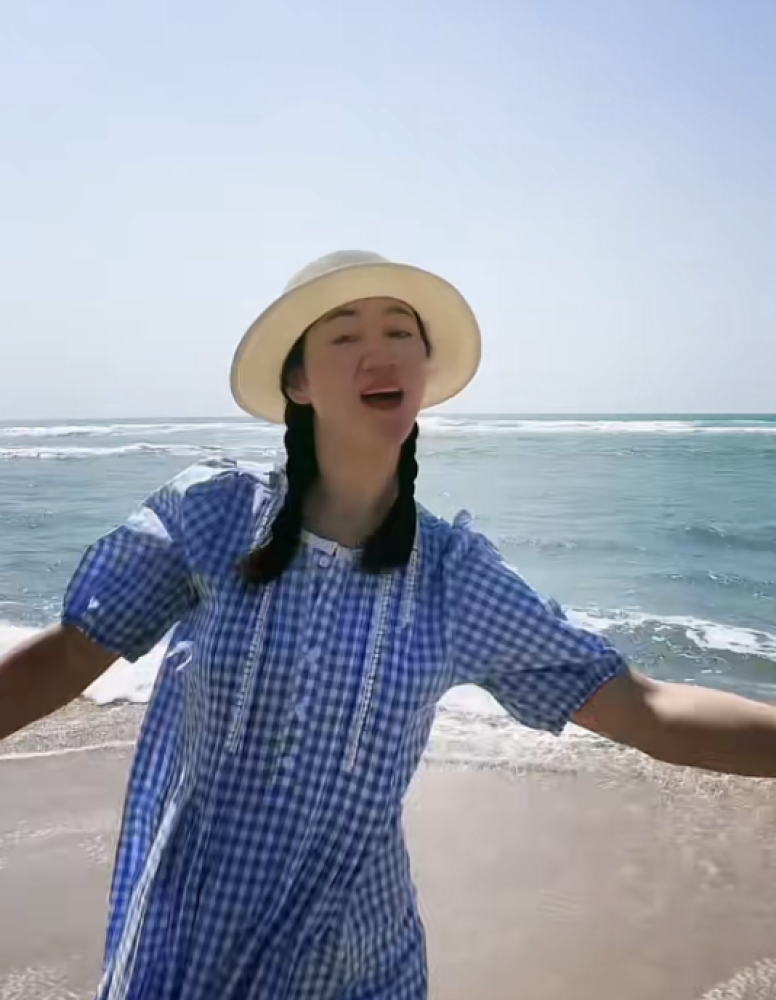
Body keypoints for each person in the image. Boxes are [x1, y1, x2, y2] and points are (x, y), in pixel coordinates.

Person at [1, 249, 775, 1000]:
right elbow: (68, 656)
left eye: (401, 331)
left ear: (423, 373)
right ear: (299, 382)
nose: (380, 351)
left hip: (356, 966)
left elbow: (642, 707)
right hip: (184, 955)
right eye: (344, 335)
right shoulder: (215, 516)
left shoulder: (452, 577)